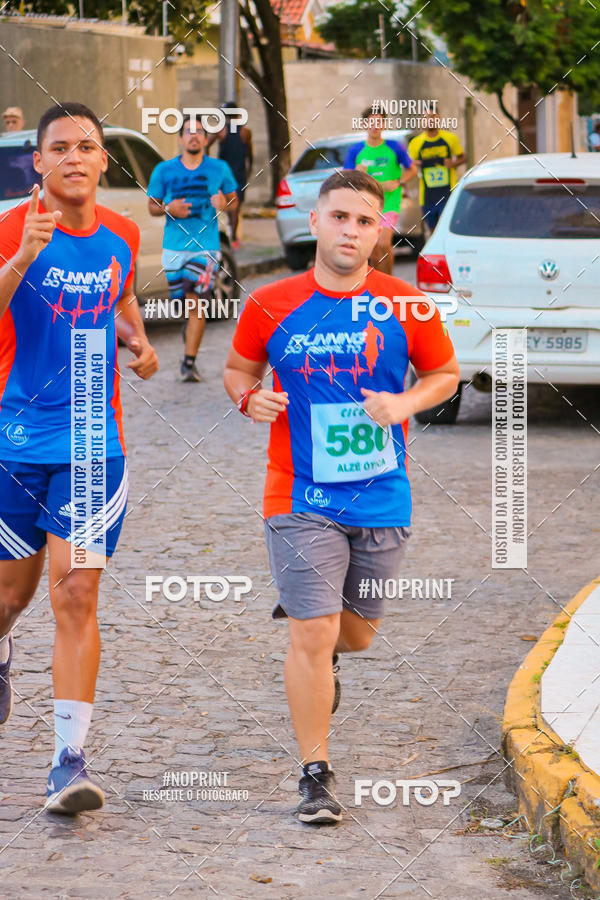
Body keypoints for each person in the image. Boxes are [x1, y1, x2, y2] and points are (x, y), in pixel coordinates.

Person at [224, 169, 460, 824]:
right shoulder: (271, 301)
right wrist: (250, 397)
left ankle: (329, 653)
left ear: (378, 228)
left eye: (363, 220)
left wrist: (405, 401)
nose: (350, 230)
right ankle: (315, 775)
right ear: (315, 219)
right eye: (338, 217)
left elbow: (444, 374)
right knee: (313, 628)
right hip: (298, 494)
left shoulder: (405, 304)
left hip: (382, 493)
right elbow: (239, 367)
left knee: (354, 636)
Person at [0, 102, 158, 814]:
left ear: (102, 161)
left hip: (95, 440)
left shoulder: (122, 234)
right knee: (11, 595)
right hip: (14, 442)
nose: (73, 156)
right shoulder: (10, 226)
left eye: (85, 146)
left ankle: (69, 760)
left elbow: (121, 299)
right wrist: (24, 257)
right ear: (38, 162)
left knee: (76, 591)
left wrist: (139, 341)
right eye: (58, 146)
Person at [147, 116, 238, 382]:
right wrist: (168, 208)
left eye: (199, 132)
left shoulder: (219, 168)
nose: (194, 136)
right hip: (173, 249)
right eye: (189, 131)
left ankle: (189, 362)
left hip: (206, 248)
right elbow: (152, 206)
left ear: (206, 139)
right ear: (180, 138)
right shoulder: (164, 170)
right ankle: (190, 333)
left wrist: (224, 203)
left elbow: (233, 201)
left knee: (195, 300)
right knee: (184, 304)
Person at [344, 106, 417, 274]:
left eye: (379, 122)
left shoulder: (395, 147)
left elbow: (412, 170)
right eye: (371, 122)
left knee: (383, 243)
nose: (375, 126)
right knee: (374, 249)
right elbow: (346, 179)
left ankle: (389, 283)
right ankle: (378, 286)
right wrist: (357, 172)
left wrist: (398, 182)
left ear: (384, 124)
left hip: (389, 202)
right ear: (364, 125)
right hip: (367, 205)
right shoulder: (356, 150)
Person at [408, 114, 466, 233]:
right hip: (427, 196)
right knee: (433, 232)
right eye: (426, 118)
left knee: (446, 229)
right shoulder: (416, 143)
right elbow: (408, 165)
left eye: (432, 116)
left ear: (438, 118)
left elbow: (463, 157)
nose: (430, 120)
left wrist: (452, 164)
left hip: (448, 193)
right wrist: (415, 164)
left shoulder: (450, 138)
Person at [207, 102, 253, 250]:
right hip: (239, 173)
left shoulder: (221, 131)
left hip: (224, 174)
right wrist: (249, 170)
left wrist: (208, 165)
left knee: (225, 205)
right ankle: (233, 237)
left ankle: (229, 235)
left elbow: (206, 145)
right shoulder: (245, 132)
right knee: (236, 206)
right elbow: (250, 154)